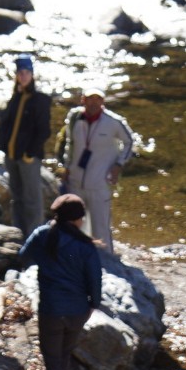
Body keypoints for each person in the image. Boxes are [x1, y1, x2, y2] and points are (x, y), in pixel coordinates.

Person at [16, 192, 103, 370]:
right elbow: (95, 279)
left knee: (53, 360)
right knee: (62, 357)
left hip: (51, 310)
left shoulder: (42, 235)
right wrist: (94, 304)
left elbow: (23, 258)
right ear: (77, 219)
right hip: (77, 312)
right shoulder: (85, 246)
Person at [58, 82, 134, 254]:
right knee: (76, 223)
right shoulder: (75, 118)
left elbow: (129, 142)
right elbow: (69, 144)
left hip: (100, 182)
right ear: (83, 100)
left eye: (98, 99)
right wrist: (66, 168)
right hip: (76, 180)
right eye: (90, 99)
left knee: (101, 225)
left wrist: (118, 165)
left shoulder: (113, 122)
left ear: (103, 102)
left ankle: (106, 259)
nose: (93, 102)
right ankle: (77, 256)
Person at [0, 55, 53, 242]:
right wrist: (3, 146)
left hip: (28, 158)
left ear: (32, 74)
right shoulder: (16, 97)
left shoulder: (39, 100)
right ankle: (19, 237)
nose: (23, 76)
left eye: (26, 72)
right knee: (17, 199)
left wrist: (30, 152)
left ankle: (34, 239)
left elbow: (44, 130)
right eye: (20, 73)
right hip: (12, 156)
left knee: (32, 201)